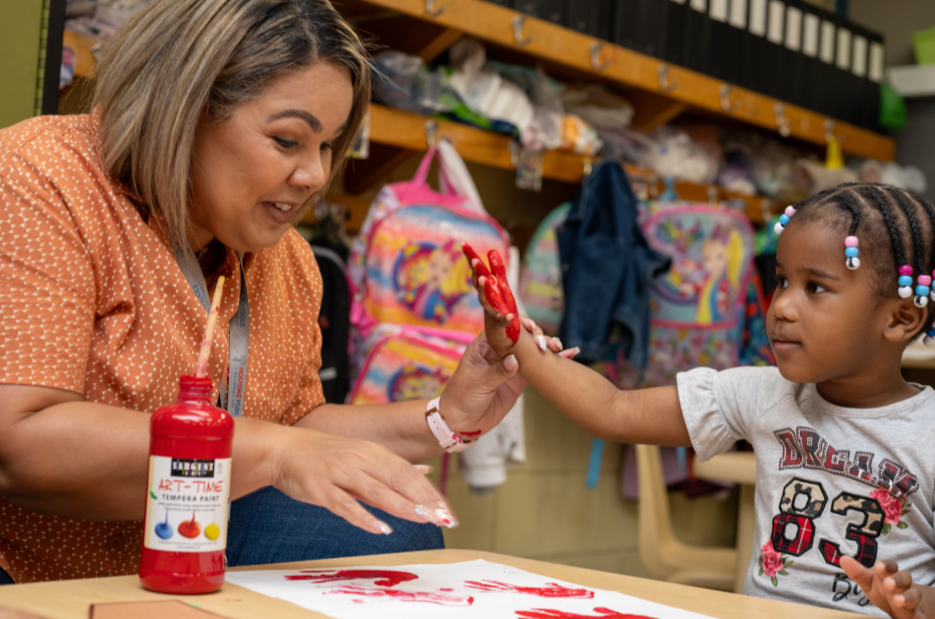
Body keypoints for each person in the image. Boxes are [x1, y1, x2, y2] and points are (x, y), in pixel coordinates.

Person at [0, 0, 565, 584]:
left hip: (186, 545)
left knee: (394, 530)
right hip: (27, 564)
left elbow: (296, 427)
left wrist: (444, 417)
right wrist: (271, 451)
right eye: (288, 140)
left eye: (327, 145)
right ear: (185, 108)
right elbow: (18, 444)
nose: (317, 175)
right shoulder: (41, 178)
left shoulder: (286, 257)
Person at [469, 182, 935, 619]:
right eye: (782, 280)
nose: (782, 306)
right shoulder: (764, 394)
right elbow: (613, 409)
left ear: (901, 317)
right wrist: (516, 339)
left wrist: (929, 606)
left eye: (816, 287)